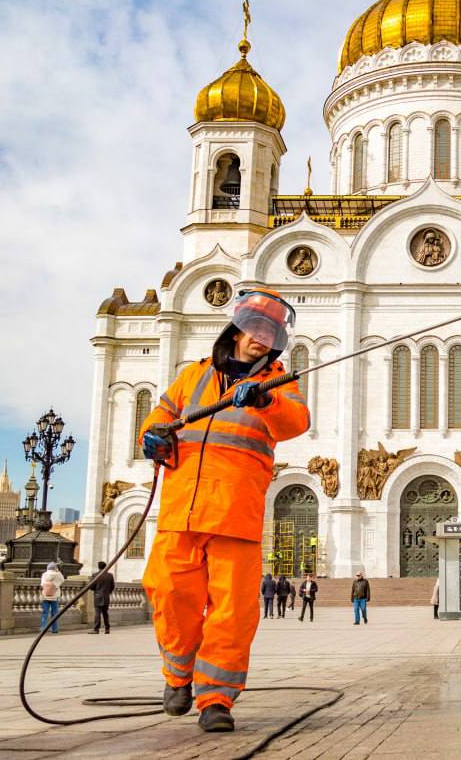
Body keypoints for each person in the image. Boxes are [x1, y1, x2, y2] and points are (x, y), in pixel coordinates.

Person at [139, 288, 309, 733]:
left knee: (232, 610)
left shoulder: (277, 381)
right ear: (237, 328)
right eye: (255, 327)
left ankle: (215, 699)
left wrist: (265, 399)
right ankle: (178, 677)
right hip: (182, 509)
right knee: (168, 593)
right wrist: (152, 437)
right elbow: (160, 416)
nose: (260, 338)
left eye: (270, 332)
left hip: (236, 511)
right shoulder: (192, 377)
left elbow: (296, 422)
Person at [88, 561, 115, 634]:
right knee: (105, 613)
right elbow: (112, 586)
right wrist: (108, 592)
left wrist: (96, 590)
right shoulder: (110, 575)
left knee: (97, 613)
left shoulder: (95, 575)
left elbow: (91, 586)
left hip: (98, 596)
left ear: (98, 567)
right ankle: (107, 629)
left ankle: (96, 629)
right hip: (106, 596)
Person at [40, 562, 66, 634]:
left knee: (45, 613)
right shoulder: (57, 575)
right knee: (54, 613)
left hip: (45, 596)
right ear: (55, 568)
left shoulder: (44, 574)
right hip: (55, 596)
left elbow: (42, 584)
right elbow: (63, 580)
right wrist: (58, 571)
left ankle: (43, 629)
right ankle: (54, 629)